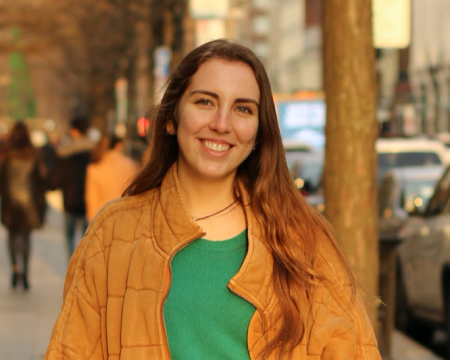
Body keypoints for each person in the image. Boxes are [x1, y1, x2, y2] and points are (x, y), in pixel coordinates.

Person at [45, 40, 381, 359]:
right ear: (173, 118)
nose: (222, 124)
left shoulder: (305, 240)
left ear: (258, 132)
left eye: (242, 109)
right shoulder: (114, 233)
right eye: (205, 102)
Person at [0, 122, 47, 290]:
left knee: (12, 237)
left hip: (10, 203)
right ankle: (25, 273)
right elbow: (42, 178)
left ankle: (14, 269)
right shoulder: (34, 154)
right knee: (26, 238)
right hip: (29, 202)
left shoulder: (5, 154)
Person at [48, 116, 95, 259]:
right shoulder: (96, 151)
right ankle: (86, 266)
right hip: (90, 199)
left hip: (70, 200)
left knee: (69, 236)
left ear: (74, 131)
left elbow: (56, 179)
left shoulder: (64, 152)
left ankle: (72, 267)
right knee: (88, 237)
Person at [85, 134, 139, 222]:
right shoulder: (130, 165)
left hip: (101, 218)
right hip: (125, 217)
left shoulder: (94, 168)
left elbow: (91, 199)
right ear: (118, 145)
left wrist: (92, 222)